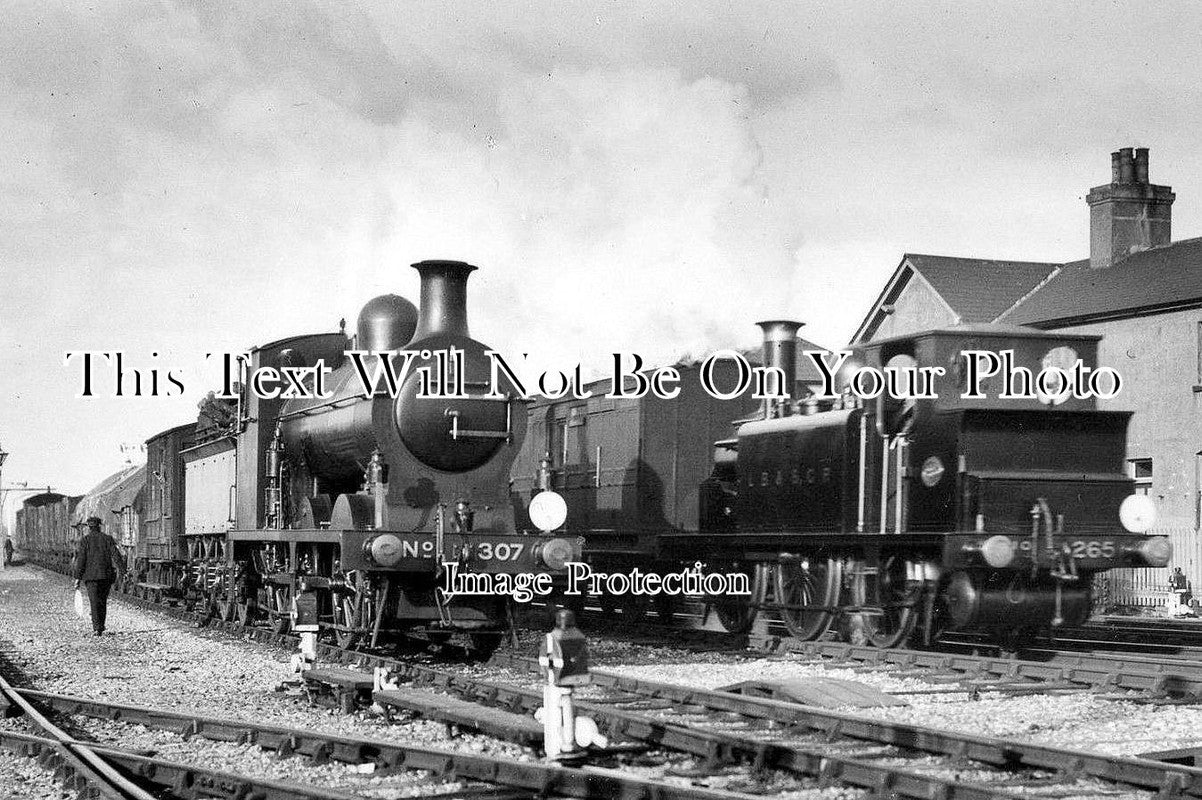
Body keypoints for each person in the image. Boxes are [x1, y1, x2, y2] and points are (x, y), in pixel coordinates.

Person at [73, 516, 125, 636]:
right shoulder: (107, 539)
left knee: (94, 601)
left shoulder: (85, 540)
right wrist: (123, 570)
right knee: (102, 601)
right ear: (99, 526)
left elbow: (81, 560)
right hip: (105, 576)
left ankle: (97, 627)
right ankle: (101, 625)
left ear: (89, 527)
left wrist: (77, 578)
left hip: (90, 577)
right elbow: (116, 555)